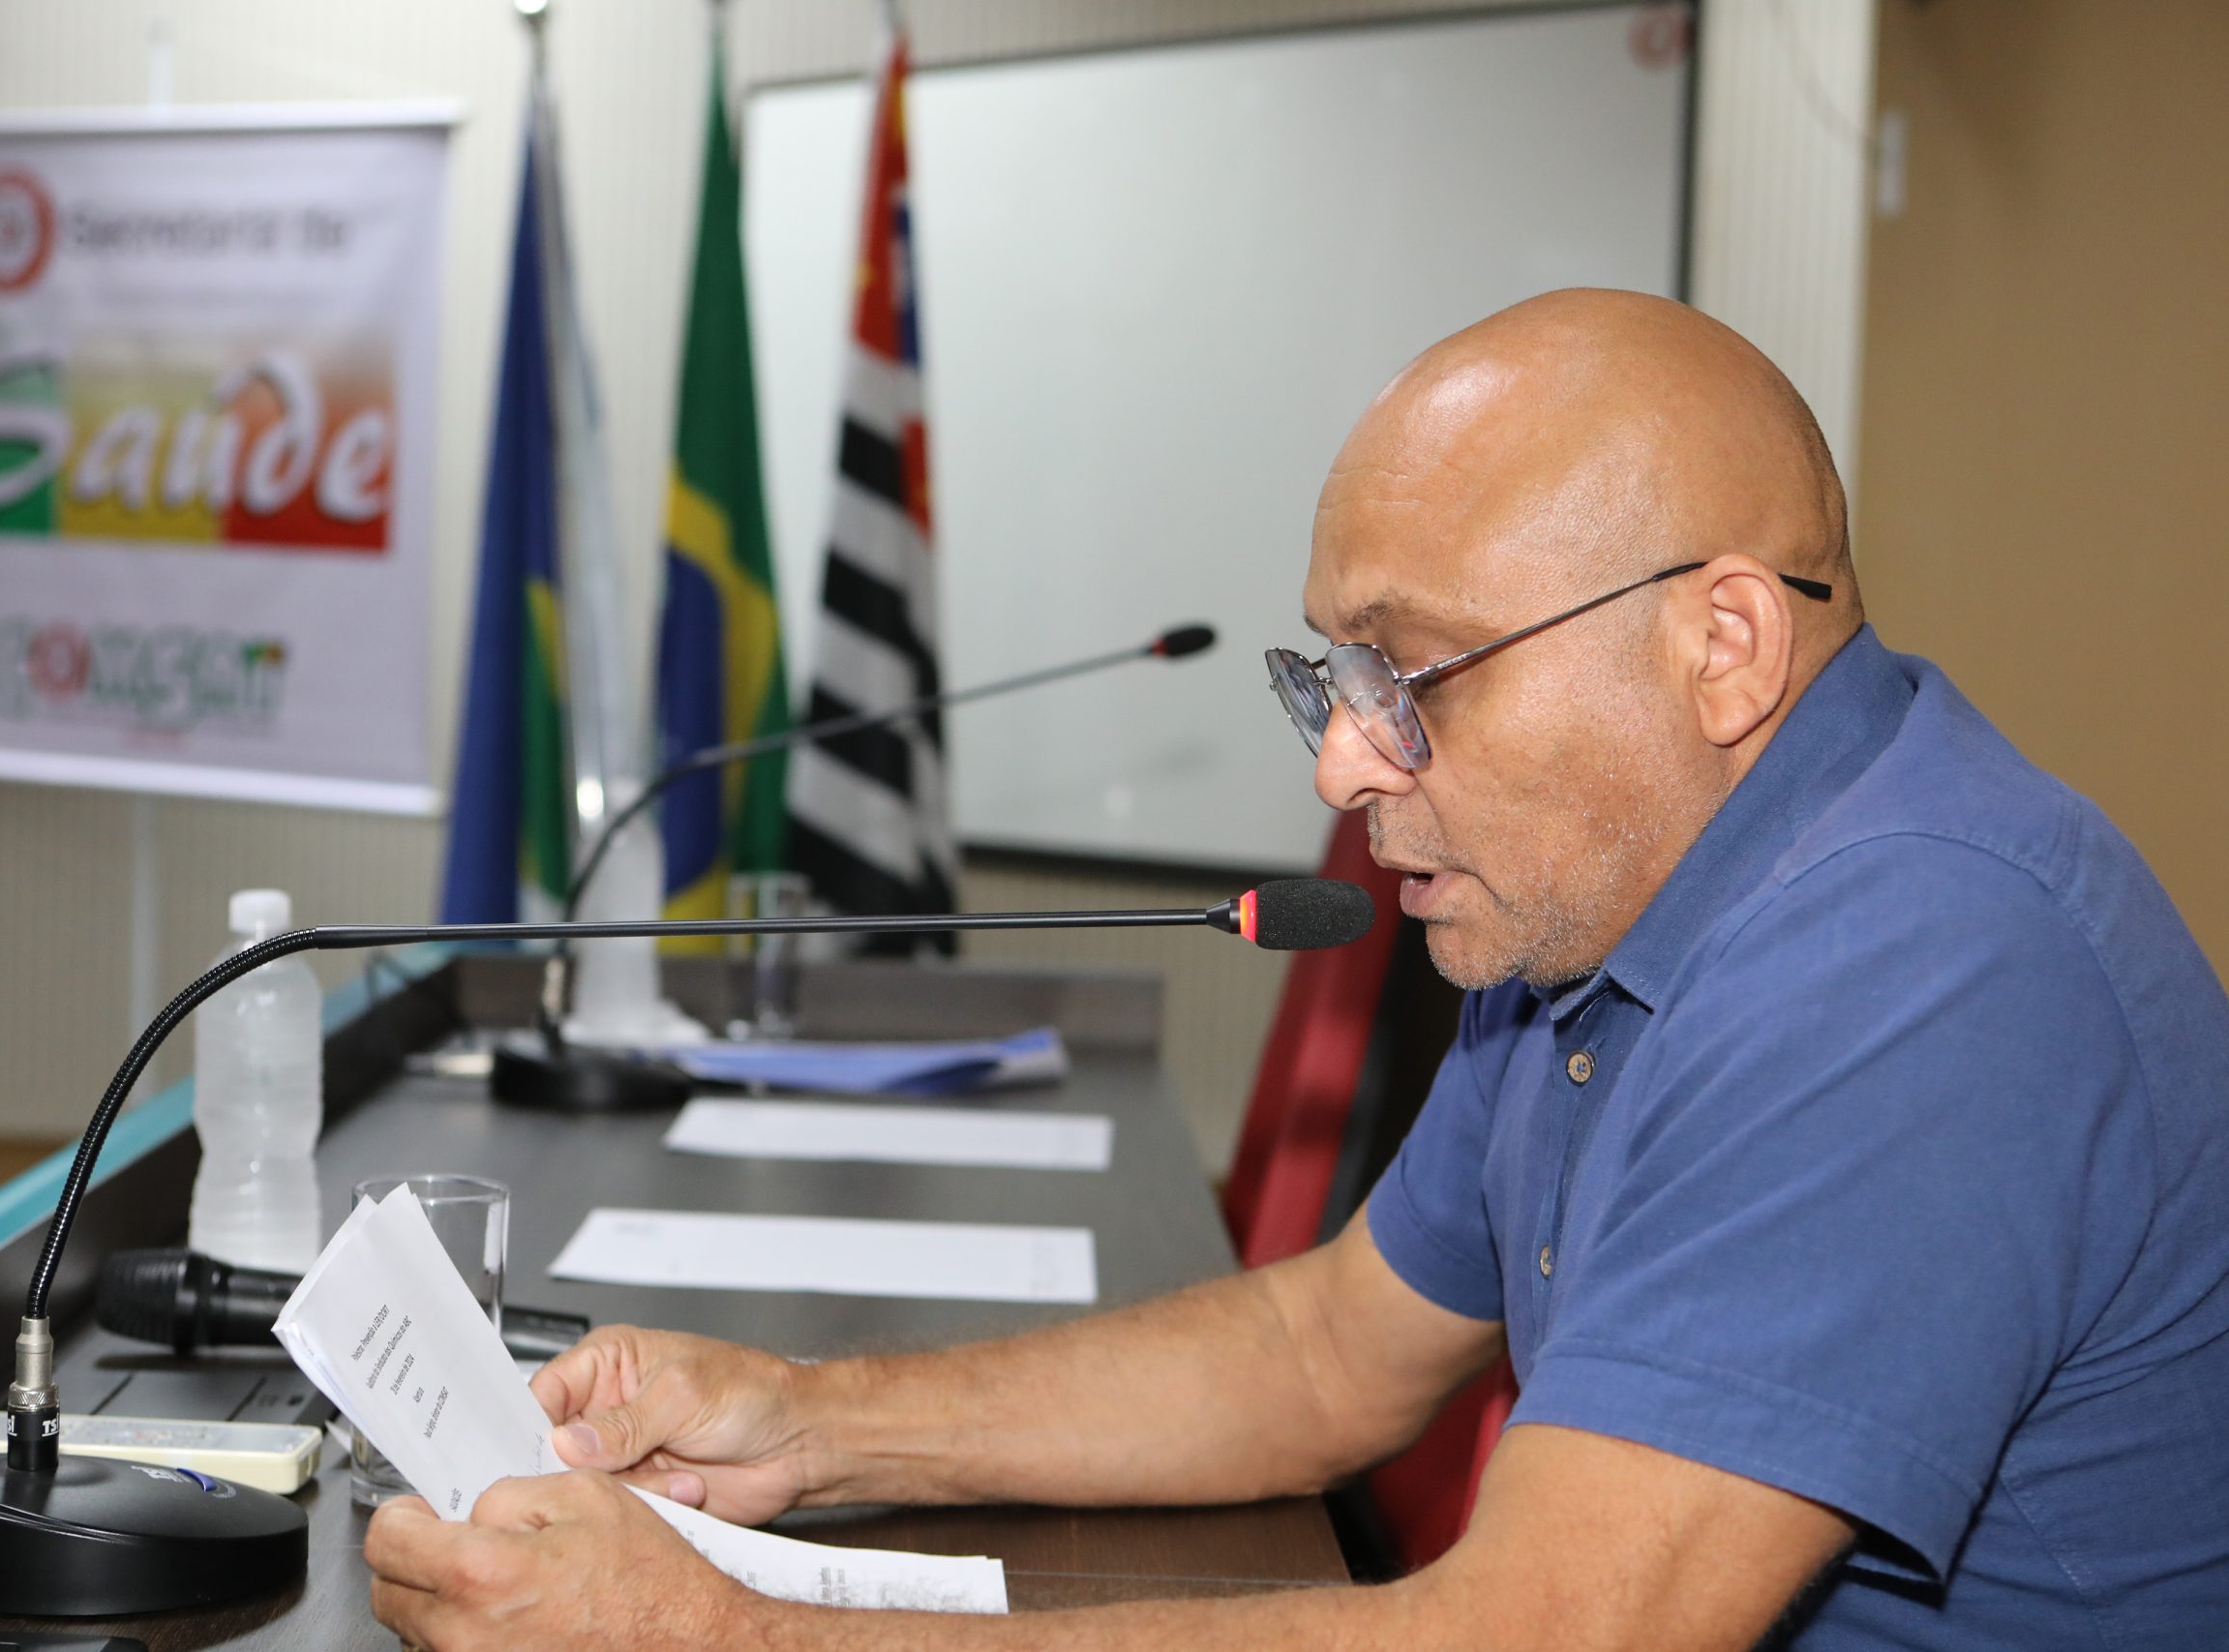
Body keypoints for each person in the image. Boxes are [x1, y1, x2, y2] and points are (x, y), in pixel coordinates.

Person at [365, 290, 2229, 1650]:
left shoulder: (1921, 958)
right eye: (1330, 683)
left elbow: (1547, 1639)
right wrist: (814, 1424)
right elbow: (1326, 1350)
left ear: (1722, 644)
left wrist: (720, 1638)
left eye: (1408, 677)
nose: (1343, 765)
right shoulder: (1602, 910)